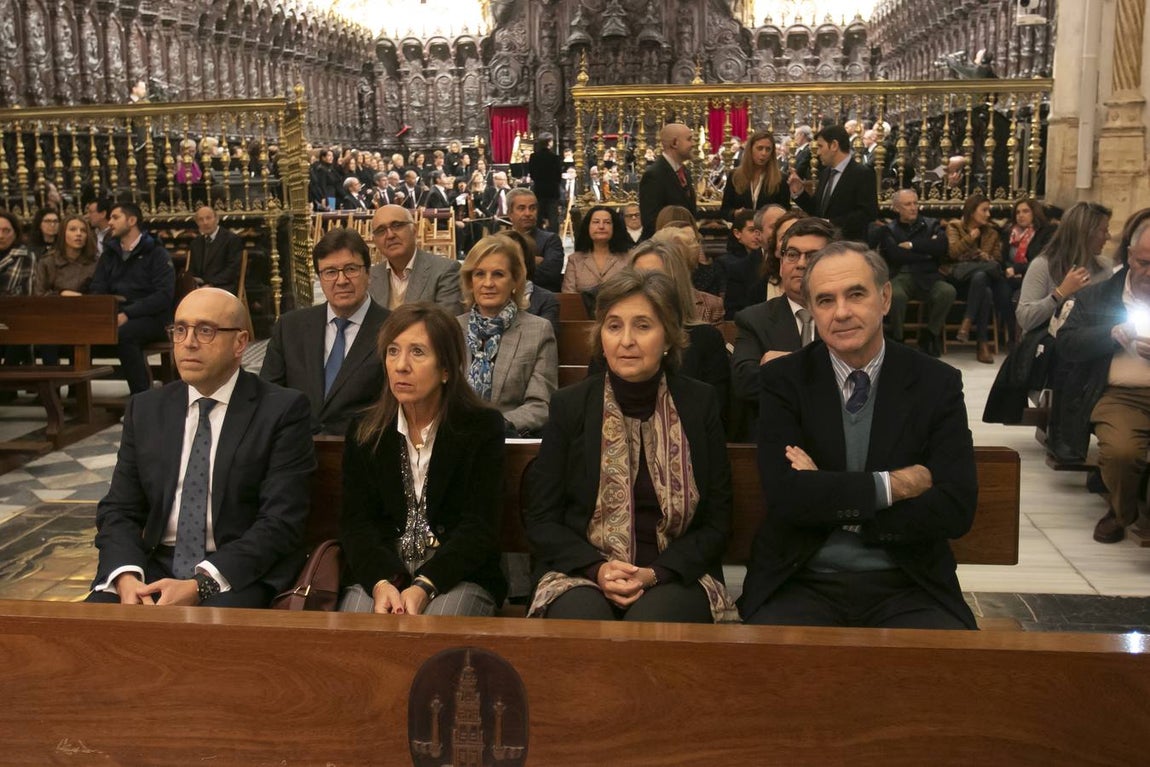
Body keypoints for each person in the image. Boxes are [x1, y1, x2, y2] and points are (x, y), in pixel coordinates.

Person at [740, 242, 977, 630]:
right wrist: (891, 487)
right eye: (826, 300)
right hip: (801, 579)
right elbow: (786, 497)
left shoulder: (935, 383)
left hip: (908, 582)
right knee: (776, 675)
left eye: (856, 294)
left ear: (884, 298)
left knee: (941, 676)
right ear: (813, 312)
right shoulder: (785, 381)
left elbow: (956, 507)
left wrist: (829, 494)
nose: (842, 312)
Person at [525, 269, 736, 623]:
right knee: (584, 621)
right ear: (601, 338)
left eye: (642, 326)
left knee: (652, 622)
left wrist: (655, 574)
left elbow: (717, 520)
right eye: (614, 326)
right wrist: (597, 570)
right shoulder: (570, 405)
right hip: (580, 572)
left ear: (668, 337)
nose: (626, 341)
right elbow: (542, 518)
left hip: (675, 572)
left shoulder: (699, 404)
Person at [86, 288, 316, 607]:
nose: (189, 342)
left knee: (205, 642)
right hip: (152, 565)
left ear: (240, 342)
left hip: (235, 571)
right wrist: (127, 578)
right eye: (180, 329)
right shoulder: (147, 408)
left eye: (205, 330)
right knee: (84, 636)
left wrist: (200, 584)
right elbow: (119, 509)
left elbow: (280, 522)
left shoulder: (281, 410)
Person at [339, 304, 508, 616]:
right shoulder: (365, 431)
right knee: (360, 629)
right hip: (382, 571)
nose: (401, 365)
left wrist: (426, 584)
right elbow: (358, 524)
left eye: (417, 352)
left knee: (436, 624)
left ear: (446, 368)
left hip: (457, 573)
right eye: (393, 351)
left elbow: (479, 526)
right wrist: (382, 582)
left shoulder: (481, 427)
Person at [1058, 217, 1150, 543]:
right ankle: (1123, 512)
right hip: (1120, 395)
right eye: (1143, 263)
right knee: (1122, 453)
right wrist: (1110, 334)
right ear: (1129, 256)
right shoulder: (1098, 296)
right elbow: (1067, 344)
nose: (1149, 273)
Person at [261, 227, 388, 435]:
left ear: (368, 273)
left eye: (351, 269)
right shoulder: (290, 326)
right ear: (319, 278)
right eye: (330, 272)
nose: (341, 280)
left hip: (364, 452)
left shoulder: (394, 328)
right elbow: (269, 394)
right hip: (297, 449)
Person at [731, 217, 838, 433]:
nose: (800, 263)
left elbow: (863, 379)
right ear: (781, 266)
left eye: (812, 256)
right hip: (780, 435)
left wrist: (789, 362)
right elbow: (746, 384)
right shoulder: (754, 319)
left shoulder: (847, 316)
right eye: (792, 255)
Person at [458, 234, 558, 436]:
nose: (488, 283)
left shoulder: (538, 331)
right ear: (470, 282)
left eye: (498, 274)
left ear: (515, 280)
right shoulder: (451, 328)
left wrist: (492, 426)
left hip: (507, 439)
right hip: (453, 436)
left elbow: (540, 405)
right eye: (479, 274)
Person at [89, 202, 176, 395]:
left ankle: (141, 399)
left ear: (132, 220)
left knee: (125, 335)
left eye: (115, 217)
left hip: (152, 318)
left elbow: (163, 295)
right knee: (77, 333)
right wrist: (106, 311)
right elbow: (97, 287)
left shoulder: (156, 253)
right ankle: (78, 399)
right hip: (115, 315)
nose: (110, 222)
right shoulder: (110, 254)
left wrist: (128, 313)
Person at [876, 189, 956, 357]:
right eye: (907, 204)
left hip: (928, 275)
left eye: (915, 203)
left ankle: (930, 336)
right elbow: (895, 255)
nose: (913, 207)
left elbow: (941, 247)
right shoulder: (888, 229)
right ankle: (897, 338)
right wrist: (927, 252)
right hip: (901, 275)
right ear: (897, 208)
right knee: (895, 295)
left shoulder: (931, 223)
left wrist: (912, 245)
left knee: (947, 291)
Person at [1015, 201, 1112, 334]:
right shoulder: (1043, 265)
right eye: (1104, 230)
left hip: (1089, 346)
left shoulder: (1105, 267)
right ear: (1085, 232)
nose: (1109, 237)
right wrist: (1060, 293)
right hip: (1049, 348)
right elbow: (1025, 319)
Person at [945, 193, 1008, 363]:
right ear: (972, 211)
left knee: (983, 283)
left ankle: (968, 325)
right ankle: (982, 344)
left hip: (979, 283)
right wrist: (970, 238)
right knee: (989, 273)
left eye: (989, 210)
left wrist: (986, 257)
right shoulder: (954, 226)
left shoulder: (992, 233)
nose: (988, 214)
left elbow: (997, 259)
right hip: (960, 279)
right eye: (984, 210)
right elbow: (953, 253)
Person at [788, 124, 878, 242]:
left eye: (820, 146)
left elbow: (868, 213)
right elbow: (817, 209)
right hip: (825, 243)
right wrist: (799, 192)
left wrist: (831, 223)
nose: (818, 152)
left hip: (849, 245)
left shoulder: (861, 173)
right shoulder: (826, 173)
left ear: (834, 145)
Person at [367, 204, 462, 314]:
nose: (390, 235)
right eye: (381, 230)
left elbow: (446, 326)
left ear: (414, 230)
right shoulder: (370, 277)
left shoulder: (446, 271)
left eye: (397, 225)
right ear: (374, 241)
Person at [639, 123, 697, 238]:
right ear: (674, 143)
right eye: (689, 139)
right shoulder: (654, 175)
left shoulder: (684, 171)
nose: (693, 144)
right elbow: (651, 222)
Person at [720, 128, 790, 222]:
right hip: (742, 232)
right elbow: (724, 211)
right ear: (750, 149)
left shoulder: (781, 179)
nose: (764, 153)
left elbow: (785, 213)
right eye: (760, 148)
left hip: (768, 232)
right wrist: (735, 213)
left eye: (768, 149)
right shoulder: (734, 175)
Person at [507, 188, 565, 292]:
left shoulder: (550, 240)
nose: (528, 213)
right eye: (521, 208)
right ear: (510, 213)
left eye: (532, 208)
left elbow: (550, 275)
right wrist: (532, 262)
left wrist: (511, 266)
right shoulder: (500, 241)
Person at [562, 205, 629, 292]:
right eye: (596, 222)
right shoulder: (574, 260)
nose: (601, 226)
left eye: (607, 222)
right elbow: (569, 295)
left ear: (614, 227)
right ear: (588, 227)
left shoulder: (629, 259)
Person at [506, 229, 559, 334]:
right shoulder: (482, 295)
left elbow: (542, 340)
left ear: (526, 262)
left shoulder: (545, 301)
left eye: (514, 258)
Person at [187, 206, 244, 295]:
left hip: (223, 286)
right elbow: (191, 270)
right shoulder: (195, 243)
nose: (205, 222)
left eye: (208, 218)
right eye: (201, 220)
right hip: (200, 287)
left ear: (216, 219)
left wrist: (211, 284)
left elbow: (232, 270)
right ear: (197, 223)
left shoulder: (231, 239)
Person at [1001, 198, 1056, 288]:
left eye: (1025, 211)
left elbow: (1043, 260)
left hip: (1035, 277)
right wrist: (1009, 270)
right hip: (1010, 276)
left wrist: (1017, 269)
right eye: (1017, 212)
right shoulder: (1010, 232)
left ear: (1035, 213)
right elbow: (1004, 258)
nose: (1020, 215)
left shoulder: (1046, 232)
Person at [719, 209, 763, 320]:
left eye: (759, 231)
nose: (757, 236)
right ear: (737, 233)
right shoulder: (726, 263)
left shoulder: (766, 262)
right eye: (752, 230)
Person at [528, 133, 563, 232]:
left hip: (539, 191)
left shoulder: (534, 157)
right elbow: (558, 176)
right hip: (552, 192)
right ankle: (554, 239)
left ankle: (538, 239)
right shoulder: (554, 158)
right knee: (553, 218)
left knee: (538, 217)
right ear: (549, 143)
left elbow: (532, 174)